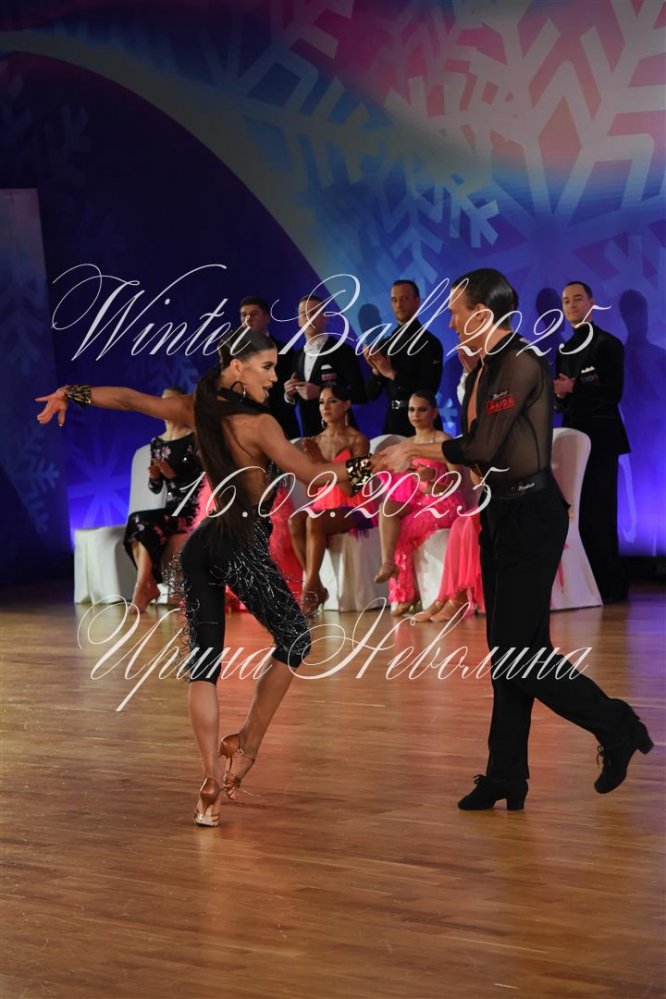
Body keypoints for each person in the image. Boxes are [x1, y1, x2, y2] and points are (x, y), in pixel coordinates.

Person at [36, 329, 372, 827]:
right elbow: (314, 476)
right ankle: (247, 743)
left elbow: (130, 400)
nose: (274, 377)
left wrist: (72, 392)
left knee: (203, 667)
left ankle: (211, 782)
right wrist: (371, 468)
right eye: (266, 367)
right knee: (296, 640)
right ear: (237, 367)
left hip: (201, 546)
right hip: (239, 542)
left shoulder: (199, 410)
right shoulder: (260, 424)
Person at [373, 268, 652, 808]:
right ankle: (506, 774)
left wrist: (411, 449)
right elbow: (481, 443)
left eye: (457, 312)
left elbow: (481, 447)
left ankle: (616, 724)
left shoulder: (521, 361)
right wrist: (471, 379)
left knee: (519, 651)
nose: (451, 321)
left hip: (532, 514)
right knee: (507, 651)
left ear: (482, 313)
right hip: (499, 512)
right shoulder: (485, 365)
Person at [555, 281, 630, 603]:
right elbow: (561, 400)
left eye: (577, 299)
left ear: (591, 303)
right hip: (571, 440)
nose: (571, 305)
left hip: (600, 440)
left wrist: (574, 389)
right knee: (576, 513)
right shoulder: (564, 349)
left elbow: (613, 393)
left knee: (600, 512)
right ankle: (583, 586)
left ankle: (610, 585)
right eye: (566, 301)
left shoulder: (608, 344)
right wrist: (559, 396)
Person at [282, 385, 373, 617]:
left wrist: (322, 462)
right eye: (322, 402)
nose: (326, 407)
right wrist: (310, 465)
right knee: (295, 520)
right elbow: (312, 490)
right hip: (323, 506)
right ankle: (318, 586)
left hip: (354, 507)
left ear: (346, 405)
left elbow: (354, 488)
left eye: (332, 401)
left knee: (315, 521)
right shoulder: (315, 440)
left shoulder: (359, 440)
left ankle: (309, 589)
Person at [373, 391, 464, 616]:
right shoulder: (406, 444)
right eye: (412, 409)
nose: (415, 414)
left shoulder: (443, 440)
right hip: (417, 499)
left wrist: (434, 481)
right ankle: (387, 564)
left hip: (442, 500)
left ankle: (406, 593)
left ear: (434, 412)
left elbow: (457, 480)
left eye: (422, 409)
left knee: (401, 528)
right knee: (386, 509)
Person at [123, 386, 203, 612]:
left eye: (170, 402)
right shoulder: (157, 443)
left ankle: (144, 587)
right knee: (137, 521)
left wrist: (173, 476)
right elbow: (156, 487)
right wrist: (156, 477)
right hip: (170, 509)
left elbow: (202, 483)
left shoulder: (194, 438)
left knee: (144, 523)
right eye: (162, 402)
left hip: (191, 510)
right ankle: (145, 584)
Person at [363, 279, 443, 435]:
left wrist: (392, 373)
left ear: (417, 302)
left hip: (423, 423)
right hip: (393, 422)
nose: (398, 305)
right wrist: (376, 370)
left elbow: (429, 389)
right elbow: (371, 394)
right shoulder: (385, 344)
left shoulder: (430, 343)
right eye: (394, 300)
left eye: (404, 299)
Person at [284, 294, 367, 436]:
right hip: (310, 435)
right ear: (298, 321)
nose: (309, 318)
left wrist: (320, 392)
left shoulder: (343, 350)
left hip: (342, 435)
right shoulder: (297, 356)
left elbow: (360, 394)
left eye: (314, 313)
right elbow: (295, 400)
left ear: (325, 317)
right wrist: (289, 394)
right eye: (304, 314)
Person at [239, 295, 300, 439]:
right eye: (243, 315)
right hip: (247, 432)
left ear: (267, 318)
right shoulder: (233, 354)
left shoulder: (285, 351)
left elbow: (292, 393)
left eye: (253, 314)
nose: (248, 319)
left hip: (282, 427)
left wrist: (288, 396)